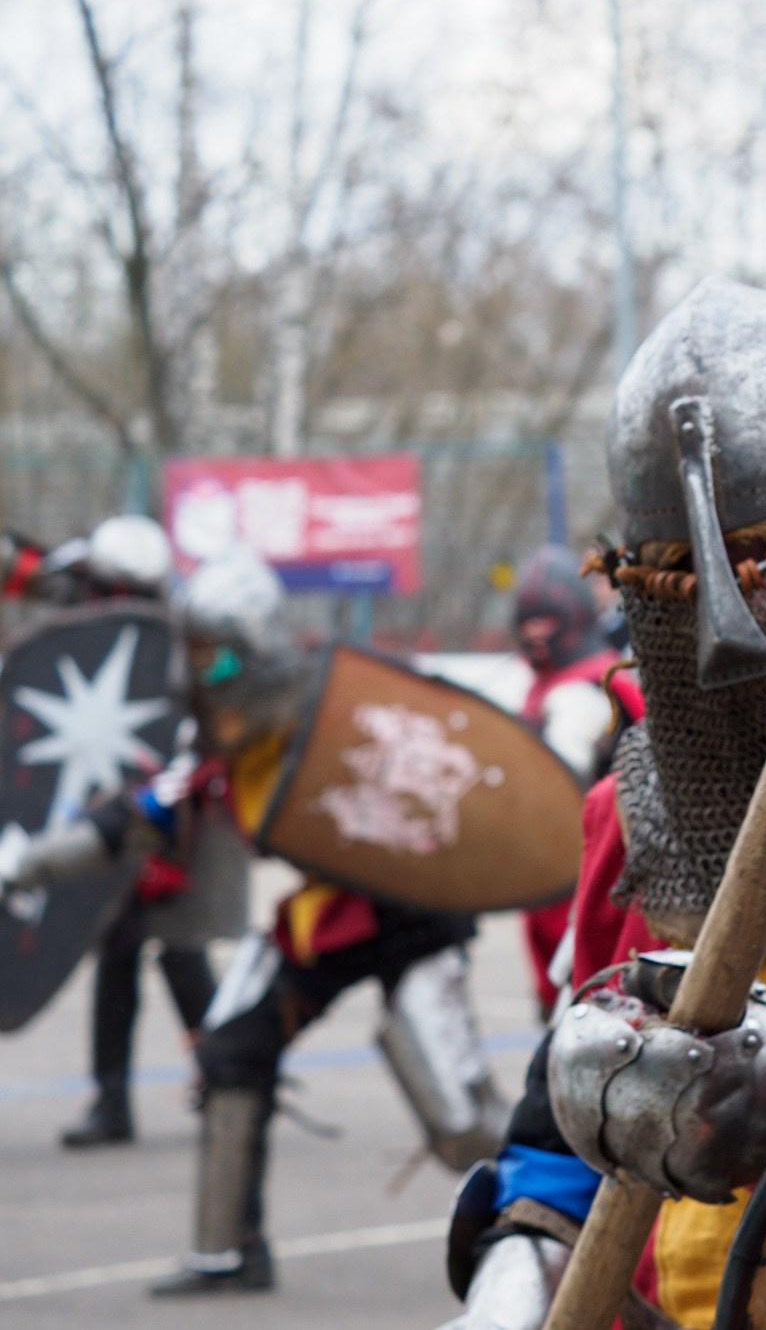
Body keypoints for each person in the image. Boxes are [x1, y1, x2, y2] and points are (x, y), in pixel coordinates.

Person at [440, 280, 766, 1330]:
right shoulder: (635, 819)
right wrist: (513, 1275)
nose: (726, 634)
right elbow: (556, 1146)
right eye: (673, 580)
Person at [5, 545, 505, 1296]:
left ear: (253, 648)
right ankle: (228, 1250)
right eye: (196, 656)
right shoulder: (220, 746)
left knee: (458, 1117)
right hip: (323, 919)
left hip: (409, 916)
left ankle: (560, 1217)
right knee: (231, 1054)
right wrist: (26, 863)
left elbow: (446, 781)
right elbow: (132, 821)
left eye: (217, 659)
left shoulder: (350, 709)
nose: (204, 676)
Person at [48, 516, 250, 1149]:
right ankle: (114, 1100)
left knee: (180, 951)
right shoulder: (89, 625)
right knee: (119, 953)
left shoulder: (182, 638)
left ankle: (225, 1076)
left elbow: (208, 717)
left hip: (170, 816)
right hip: (116, 813)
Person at [510, 544, 643, 1019]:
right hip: (561, 876)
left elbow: (554, 784)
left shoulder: (585, 689)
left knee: (581, 1024)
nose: (536, 637)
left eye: (545, 624)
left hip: (596, 880)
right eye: (529, 626)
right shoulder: (554, 683)